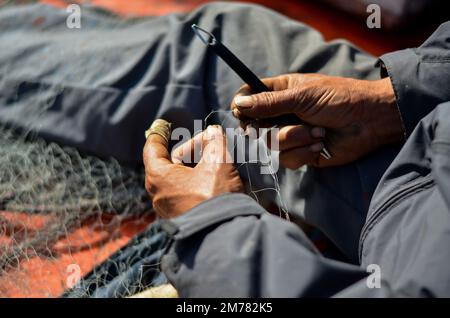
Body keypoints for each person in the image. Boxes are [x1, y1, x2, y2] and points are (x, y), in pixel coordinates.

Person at [1, 2, 449, 297]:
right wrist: (396, 98)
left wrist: (214, 224)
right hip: (424, 126)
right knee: (232, 37)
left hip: (409, 244)